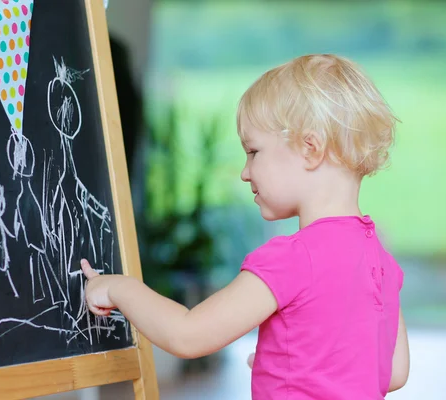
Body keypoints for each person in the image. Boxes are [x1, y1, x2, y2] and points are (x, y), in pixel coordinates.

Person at [80, 54, 410, 399]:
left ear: (310, 149)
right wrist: (297, 365)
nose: (245, 171)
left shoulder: (292, 258)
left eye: (253, 151)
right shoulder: (380, 258)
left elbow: (188, 335)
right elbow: (393, 372)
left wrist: (120, 288)